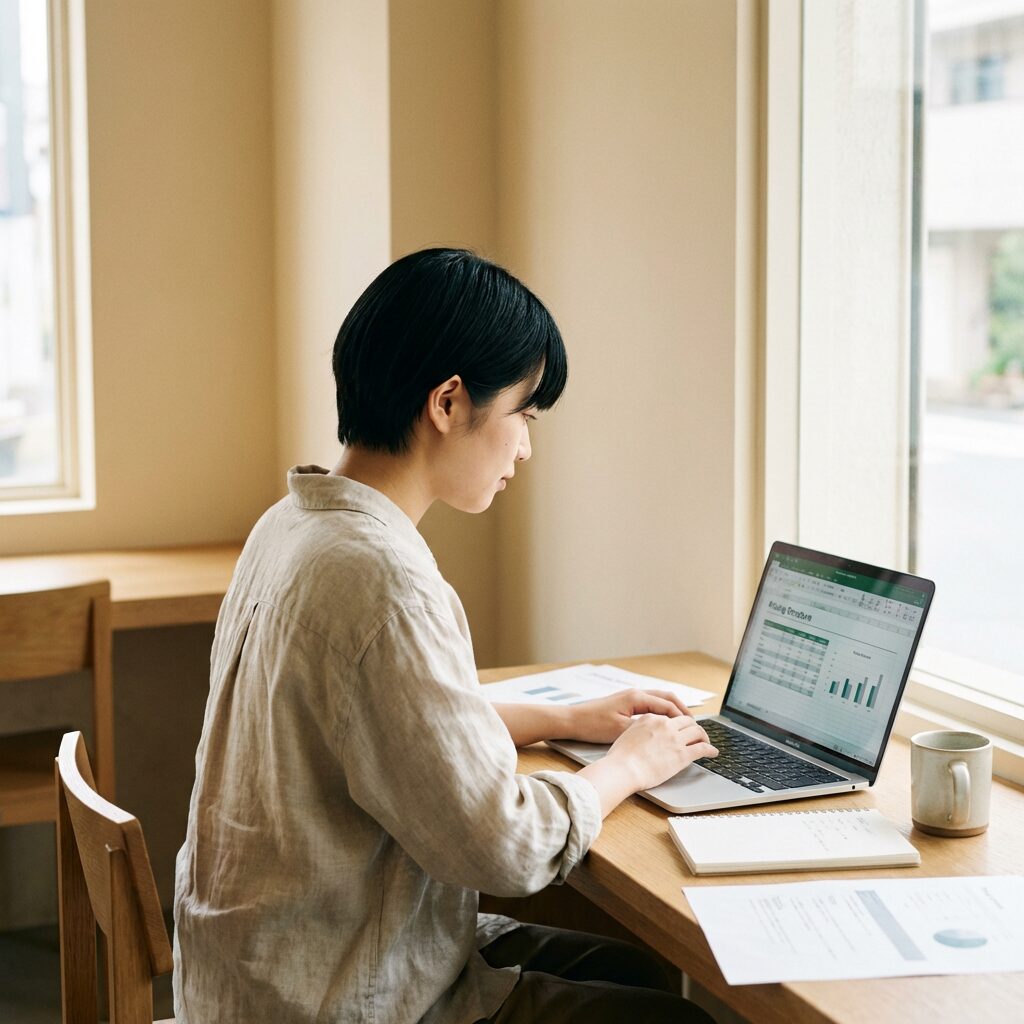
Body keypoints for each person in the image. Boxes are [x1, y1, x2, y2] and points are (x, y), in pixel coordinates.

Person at [173, 248, 719, 1024]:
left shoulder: (294, 524)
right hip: (336, 991)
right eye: (523, 415)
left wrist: (565, 717)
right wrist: (628, 766)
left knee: (624, 965)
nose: (526, 449)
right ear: (450, 402)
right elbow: (507, 847)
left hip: (260, 970)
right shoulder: (382, 580)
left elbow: (381, 728)